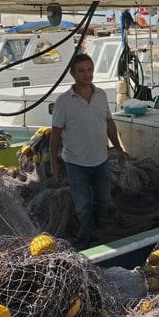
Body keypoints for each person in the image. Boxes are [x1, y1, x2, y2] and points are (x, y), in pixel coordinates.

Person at [50, 53, 126, 246]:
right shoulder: (63, 101)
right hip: (76, 163)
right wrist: (53, 162)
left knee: (104, 202)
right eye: (82, 71)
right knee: (83, 206)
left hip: (101, 159)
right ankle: (93, 240)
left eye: (90, 70)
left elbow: (109, 124)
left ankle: (91, 231)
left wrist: (118, 149)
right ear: (72, 74)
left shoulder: (101, 95)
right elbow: (56, 134)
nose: (87, 74)